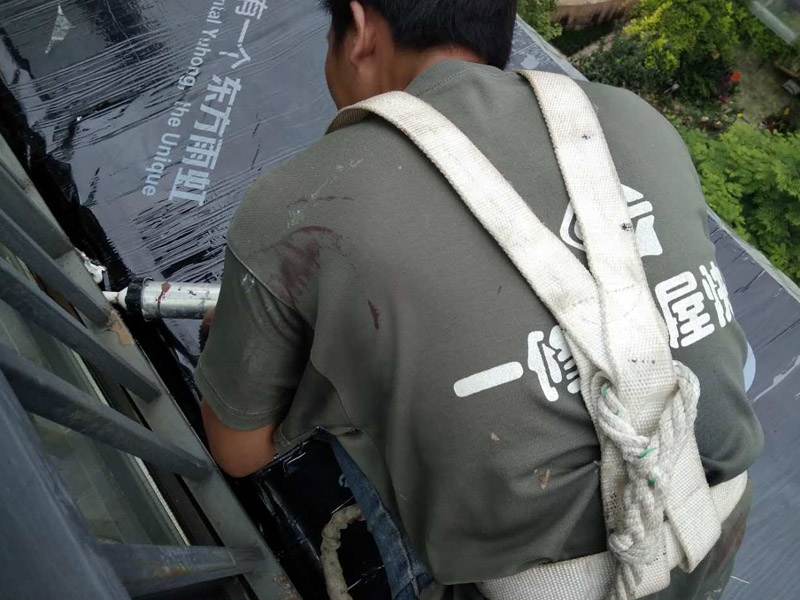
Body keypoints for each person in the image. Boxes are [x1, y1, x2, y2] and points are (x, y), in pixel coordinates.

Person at [195, 1, 764, 599]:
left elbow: (238, 452)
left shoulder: (299, 204)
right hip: (714, 532)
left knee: (348, 388)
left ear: (359, 31)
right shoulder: (631, 116)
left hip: (540, 590)